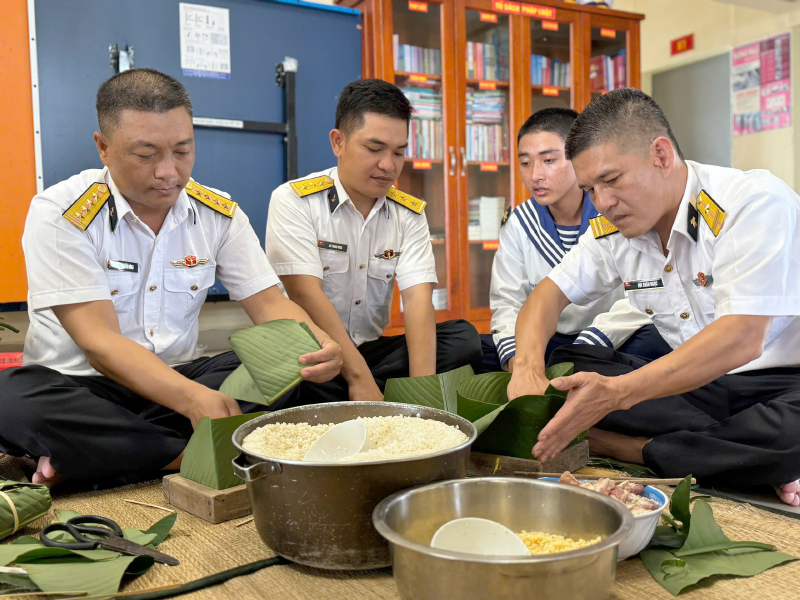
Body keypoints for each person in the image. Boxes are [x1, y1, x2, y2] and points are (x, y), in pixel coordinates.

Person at [0, 69, 343, 488]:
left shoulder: (217, 212)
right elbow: (99, 344)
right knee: (11, 398)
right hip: (84, 390)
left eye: (182, 151)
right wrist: (195, 400)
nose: (168, 172)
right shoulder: (62, 211)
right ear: (103, 147)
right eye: (146, 155)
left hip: (176, 377)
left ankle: (102, 456)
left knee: (290, 352)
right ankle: (179, 454)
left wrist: (320, 344)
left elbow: (270, 304)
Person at [508, 88, 800, 506]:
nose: (603, 203)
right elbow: (547, 295)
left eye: (611, 180)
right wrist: (526, 368)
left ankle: (621, 446)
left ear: (661, 155)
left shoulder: (751, 203)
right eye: (590, 188)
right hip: (692, 384)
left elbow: (742, 338)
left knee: (789, 434)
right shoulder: (614, 229)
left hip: (781, 384)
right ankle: (727, 454)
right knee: (566, 365)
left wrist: (620, 393)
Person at [266, 79, 482, 403]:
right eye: (374, 149)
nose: (388, 165)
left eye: (399, 152)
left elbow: (418, 301)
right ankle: (365, 392)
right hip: (313, 353)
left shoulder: (408, 214)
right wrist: (359, 378)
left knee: (464, 338)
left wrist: (421, 397)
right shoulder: (294, 201)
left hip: (371, 353)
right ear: (338, 142)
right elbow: (304, 294)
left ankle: (374, 396)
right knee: (285, 374)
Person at [482, 108, 670, 373]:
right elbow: (507, 301)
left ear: (580, 159)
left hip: (611, 336)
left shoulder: (618, 211)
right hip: (548, 338)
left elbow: (644, 296)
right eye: (525, 163)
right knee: (477, 349)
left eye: (549, 161)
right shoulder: (519, 222)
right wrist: (520, 362)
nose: (535, 175)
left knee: (656, 341)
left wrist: (589, 345)